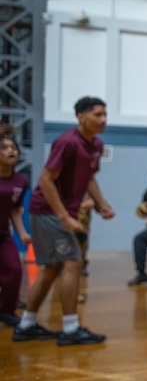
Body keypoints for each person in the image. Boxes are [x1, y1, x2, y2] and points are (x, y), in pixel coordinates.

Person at [15, 96, 114, 345]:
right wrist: (64, 217)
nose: (103, 119)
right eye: (97, 115)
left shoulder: (96, 145)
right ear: (82, 118)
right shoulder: (67, 142)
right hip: (48, 211)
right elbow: (46, 180)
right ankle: (70, 329)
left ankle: (26, 324)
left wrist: (102, 204)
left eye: (105, 114)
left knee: (52, 269)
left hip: (60, 212)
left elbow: (89, 176)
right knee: (73, 262)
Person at [0, 135, 30, 327]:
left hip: (3, 235)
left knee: (15, 271)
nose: (12, 151)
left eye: (14, 147)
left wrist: (23, 234)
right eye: (5, 147)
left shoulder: (21, 180)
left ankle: (7, 311)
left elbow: (14, 210)